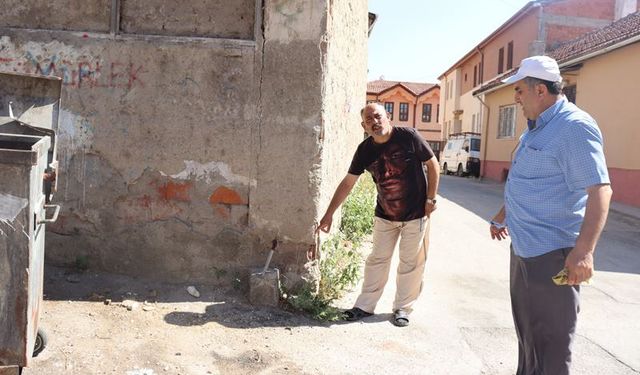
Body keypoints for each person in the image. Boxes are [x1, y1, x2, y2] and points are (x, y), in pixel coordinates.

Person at [489, 55, 612, 374]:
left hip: (553, 255)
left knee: (553, 345)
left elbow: (600, 190)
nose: (515, 99)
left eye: (519, 91)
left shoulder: (574, 126)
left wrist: (583, 252)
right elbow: (526, 178)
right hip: (525, 249)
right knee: (528, 337)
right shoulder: (535, 129)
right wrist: (504, 214)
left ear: (540, 90)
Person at [317, 102, 440, 327]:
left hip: (415, 213)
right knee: (377, 260)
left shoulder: (408, 136)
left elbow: (433, 164)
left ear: (388, 116)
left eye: (378, 116)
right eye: (369, 120)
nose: (375, 122)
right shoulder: (365, 150)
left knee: (410, 263)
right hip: (385, 214)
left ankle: (402, 308)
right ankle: (364, 306)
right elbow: (348, 182)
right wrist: (329, 214)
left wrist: (431, 199)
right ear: (363, 125)